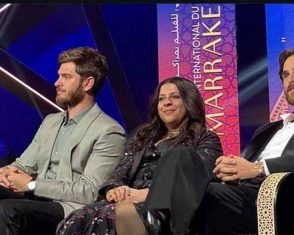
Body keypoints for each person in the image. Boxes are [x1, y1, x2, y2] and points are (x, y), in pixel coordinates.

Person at [56, 76, 223, 235]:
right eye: (161, 99)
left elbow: (199, 177)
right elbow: (119, 173)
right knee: (79, 217)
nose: (167, 103)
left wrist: (145, 195)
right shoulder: (143, 137)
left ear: (189, 101)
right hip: (128, 198)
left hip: (167, 209)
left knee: (119, 213)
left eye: (175, 97)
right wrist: (115, 190)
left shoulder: (205, 138)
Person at [0, 47, 126, 235]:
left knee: (7, 210)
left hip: (69, 209)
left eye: (66, 77)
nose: (57, 83)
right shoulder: (51, 121)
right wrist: (5, 172)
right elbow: (24, 165)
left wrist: (32, 185)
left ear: (88, 83)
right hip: (35, 199)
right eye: (59, 76)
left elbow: (89, 191)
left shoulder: (109, 131)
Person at [201, 45, 294, 234]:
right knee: (186, 165)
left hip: (285, 199)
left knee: (202, 194)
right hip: (243, 193)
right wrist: (232, 170)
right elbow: (245, 169)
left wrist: (259, 168)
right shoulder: (267, 130)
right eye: (285, 74)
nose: (291, 79)